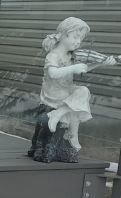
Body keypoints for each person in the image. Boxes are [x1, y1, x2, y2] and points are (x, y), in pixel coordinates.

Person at [40, 17, 115, 150]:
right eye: (75, 37)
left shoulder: (71, 55)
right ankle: (71, 133)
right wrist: (73, 68)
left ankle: (64, 122)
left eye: (81, 39)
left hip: (66, 91)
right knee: (75, 103)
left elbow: (84, 68)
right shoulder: (53, 55)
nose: (78, 42)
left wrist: (100, 63)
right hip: (53, 94)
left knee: (83, 92)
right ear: (64, 35)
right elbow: (53, 73)